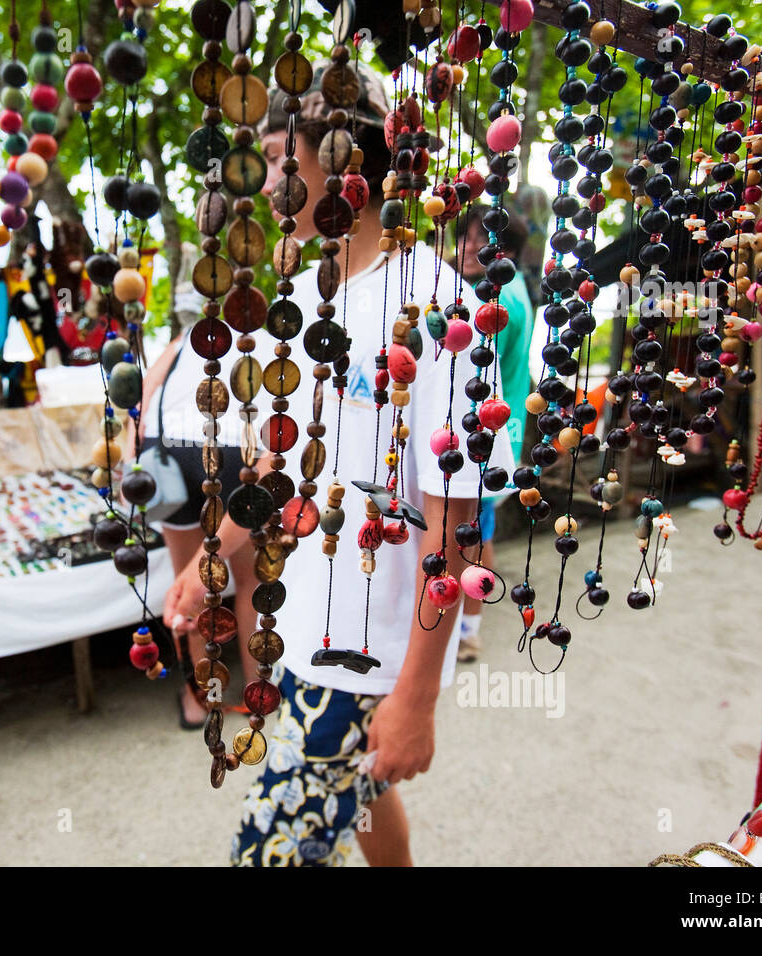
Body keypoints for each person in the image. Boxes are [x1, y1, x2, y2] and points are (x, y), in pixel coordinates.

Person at [163, 65, 515, 866]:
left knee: (268, 854)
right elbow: (276, 455)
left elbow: (455, 524)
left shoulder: (438, 310)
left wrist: (417, 696)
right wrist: (215, 555)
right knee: (360, 796)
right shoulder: (309, 292)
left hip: (368, 650)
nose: (269, 181)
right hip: (300, 619)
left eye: (285, 160)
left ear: (346, 165)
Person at [134, 319, 261, 729]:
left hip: (166, 449)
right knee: (249, 581)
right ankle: (258, 692)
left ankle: (198, 702)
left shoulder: (184, 336)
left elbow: (142, 397)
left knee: (189, 581)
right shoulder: (257, 333)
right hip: (230, 448)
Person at [452, 202, 535, 662]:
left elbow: (463, 361)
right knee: (480, 531)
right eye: (464, 238)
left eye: (481, 242)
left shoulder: (498, 306)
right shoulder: (511, 289)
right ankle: (468, 620)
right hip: (497, 435)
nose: (468, 248)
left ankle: (469, 630)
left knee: (475, 534)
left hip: (485, 440)